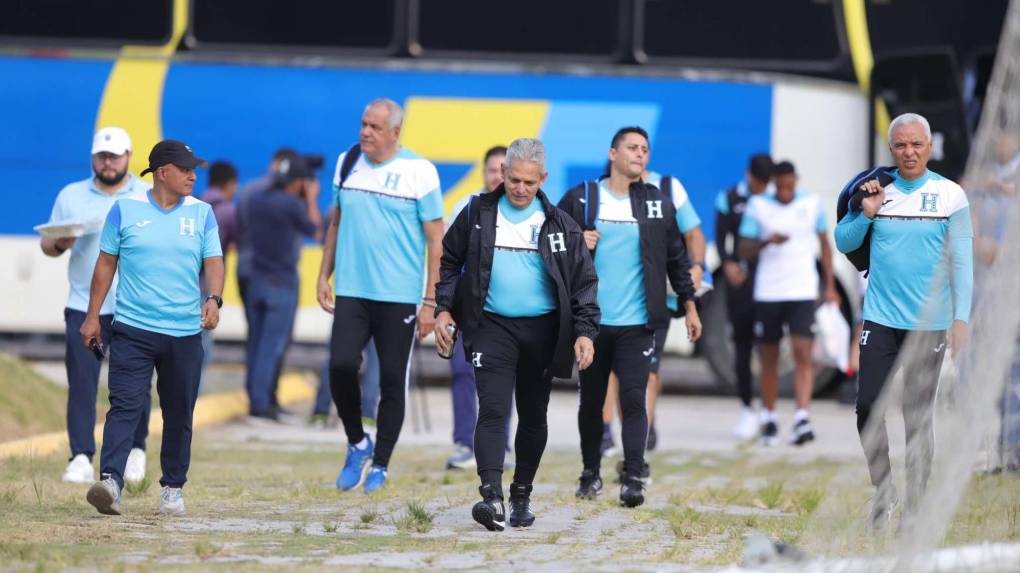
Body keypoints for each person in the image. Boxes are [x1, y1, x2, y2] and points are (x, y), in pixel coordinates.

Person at [435, 137, 599, 531]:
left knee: (532, 414)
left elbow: (583, 283)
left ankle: (521, 493)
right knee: (492, 408)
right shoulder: (477, 212)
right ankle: (491, 496)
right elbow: (449, 261)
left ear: (542, 178)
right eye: (514, 180)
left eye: (529, 182)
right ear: (503, 174)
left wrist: (585, 332)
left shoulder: (561, 225)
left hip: (542, 332)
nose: (521, 189)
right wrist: (441, 309)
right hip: (491, 326)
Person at [835, 113, 972, 529]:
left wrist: (961, 318)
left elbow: (962, 261)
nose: (908, 152)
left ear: (929, 148)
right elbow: (843, 240)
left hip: (929, 324)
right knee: (867, 408)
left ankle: (916, 507)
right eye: (900, 145)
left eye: (916, 145)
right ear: (890, 150)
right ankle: (884, 491)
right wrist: (867, 212)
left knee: (917, 416)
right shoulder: (876, 190)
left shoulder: (950, 196)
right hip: (880, 319)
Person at [559, 126, 701, 507]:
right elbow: (548, 243)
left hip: (639, 324)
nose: (640, 155)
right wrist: (576, 242)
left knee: (634, 399)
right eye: (632, 148)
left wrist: (689, 305)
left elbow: (676, 258)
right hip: (592, 324)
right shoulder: (583, 198)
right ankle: (590, 474)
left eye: (645, 149)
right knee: (591, 402)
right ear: (613, 154)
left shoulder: (656, 202)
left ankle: (633, 476)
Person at [82, 140, 224, 517]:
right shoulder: (124, 210)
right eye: (186, 169)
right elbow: (105, 264)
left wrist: (214, 298)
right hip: (132, 329)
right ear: (163, 172)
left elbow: (214, 261)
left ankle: (173, 489)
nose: (194, 175)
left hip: (184, 333)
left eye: (195, 168)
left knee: (179, 412)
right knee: (125, 407)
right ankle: (110, 481)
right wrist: (93, 315)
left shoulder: (202, 213)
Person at [317, 98, 445, 493]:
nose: (365, 132)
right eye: (363, 124)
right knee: (340, 366)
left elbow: (436, 241)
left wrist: (430, 301)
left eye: (374, 127)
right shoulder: (347, 162)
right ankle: (357, 441)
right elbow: (335, 222)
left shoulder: (419, 172)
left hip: (400, 295)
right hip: (353, 290)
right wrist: (324, 275)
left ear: (395, 133)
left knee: (391, 380)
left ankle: (382, 463)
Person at [41, 127, 152, 485]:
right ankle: (80, 456)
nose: (108, 162)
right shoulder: (71, 195)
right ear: (93, 158)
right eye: (102, 156)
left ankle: (136, 450)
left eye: (115, 156)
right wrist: (61, 243)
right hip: (83, 304)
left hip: (133, 305)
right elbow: (48, 245)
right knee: (82, 384)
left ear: (128, 156)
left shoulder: (146, 195)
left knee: (133, 386)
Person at [737, 160, 838, 446]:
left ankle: (802, 417)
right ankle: (769, 417)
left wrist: (829, 286)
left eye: (788, 185)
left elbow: (825, 245)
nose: (783, 191)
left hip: (802, 289)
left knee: (802, 351)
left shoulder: (812, 203)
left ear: (796, 180)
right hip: (769, 291)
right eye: (778, 186)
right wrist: (767, 241)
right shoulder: (758, 205)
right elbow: (743, 246)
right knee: (769, 355)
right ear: (773, 184)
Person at [445, 145, 512, 470]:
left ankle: (501, 445)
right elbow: (447, 261)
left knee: (503, 377)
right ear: (483, 173)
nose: (497, 176)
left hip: (506, 312)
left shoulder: (525, 212)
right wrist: (443, 305)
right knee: (461, 372)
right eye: (492, 170)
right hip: (467, 308)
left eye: (504, 169)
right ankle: (463, 444)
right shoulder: (466, 207)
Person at [245, 155, 321, 420]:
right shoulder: (292, 205)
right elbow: (316, 230)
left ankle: (256, 397)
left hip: (258, 278)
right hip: (282, 282)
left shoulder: (256, 200)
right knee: (272, 346)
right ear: (299, 182)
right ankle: (261, 403)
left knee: (256, 344)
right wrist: (311, 198)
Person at [715, 154, 775, 441]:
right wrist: (728, 264)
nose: (762, 186)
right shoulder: (730, 197)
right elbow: (722, 237)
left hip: (770, 280)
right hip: (740, 280)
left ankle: (768, 409)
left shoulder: (776, 199)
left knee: (769, 346)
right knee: (742, 344)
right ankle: (746, 407)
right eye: (758, 181)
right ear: (748, 175)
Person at [199, 161, 239, 380]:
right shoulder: (227, 211)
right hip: (206, 288)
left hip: (183, 284)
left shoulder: (193, 203)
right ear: (230, 184)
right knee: (202, 350)